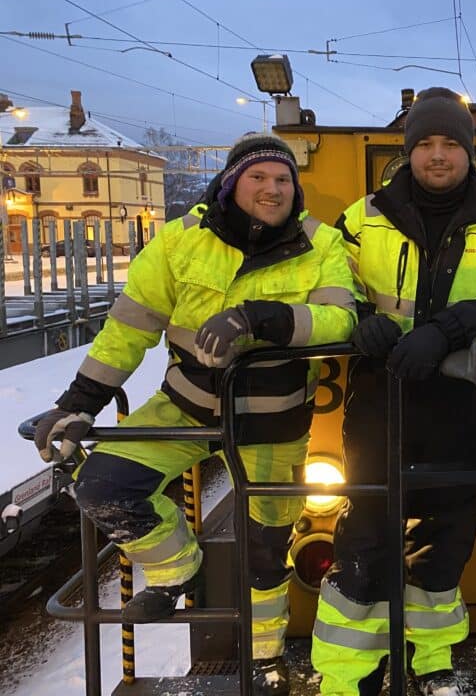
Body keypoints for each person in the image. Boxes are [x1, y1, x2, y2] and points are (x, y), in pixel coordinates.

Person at [33, 133, 358, 696]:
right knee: (104, 484)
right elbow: (128, 330)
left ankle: (265, 657)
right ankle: (174, 569)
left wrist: (259, 317)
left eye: (283, 180)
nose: (273, 188)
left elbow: (340, 321)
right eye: (259, 177)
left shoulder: (321, 243)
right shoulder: (179, 242)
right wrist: (76, 403)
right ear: (232, 183)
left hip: (275, 420)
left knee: (266, 550)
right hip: (186, 405)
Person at [311, 87, 476, 696]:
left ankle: (430, 659)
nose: (438, 156)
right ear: (408, 152)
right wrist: (364, 318)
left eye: (450, 144)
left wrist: (445, 331)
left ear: (469, 153)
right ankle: (344, 678)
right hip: (381, 407)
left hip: (463, 409)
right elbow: (332, 283)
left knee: (447, 540)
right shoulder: (362, 218)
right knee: (365, 540)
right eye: (425, 144)